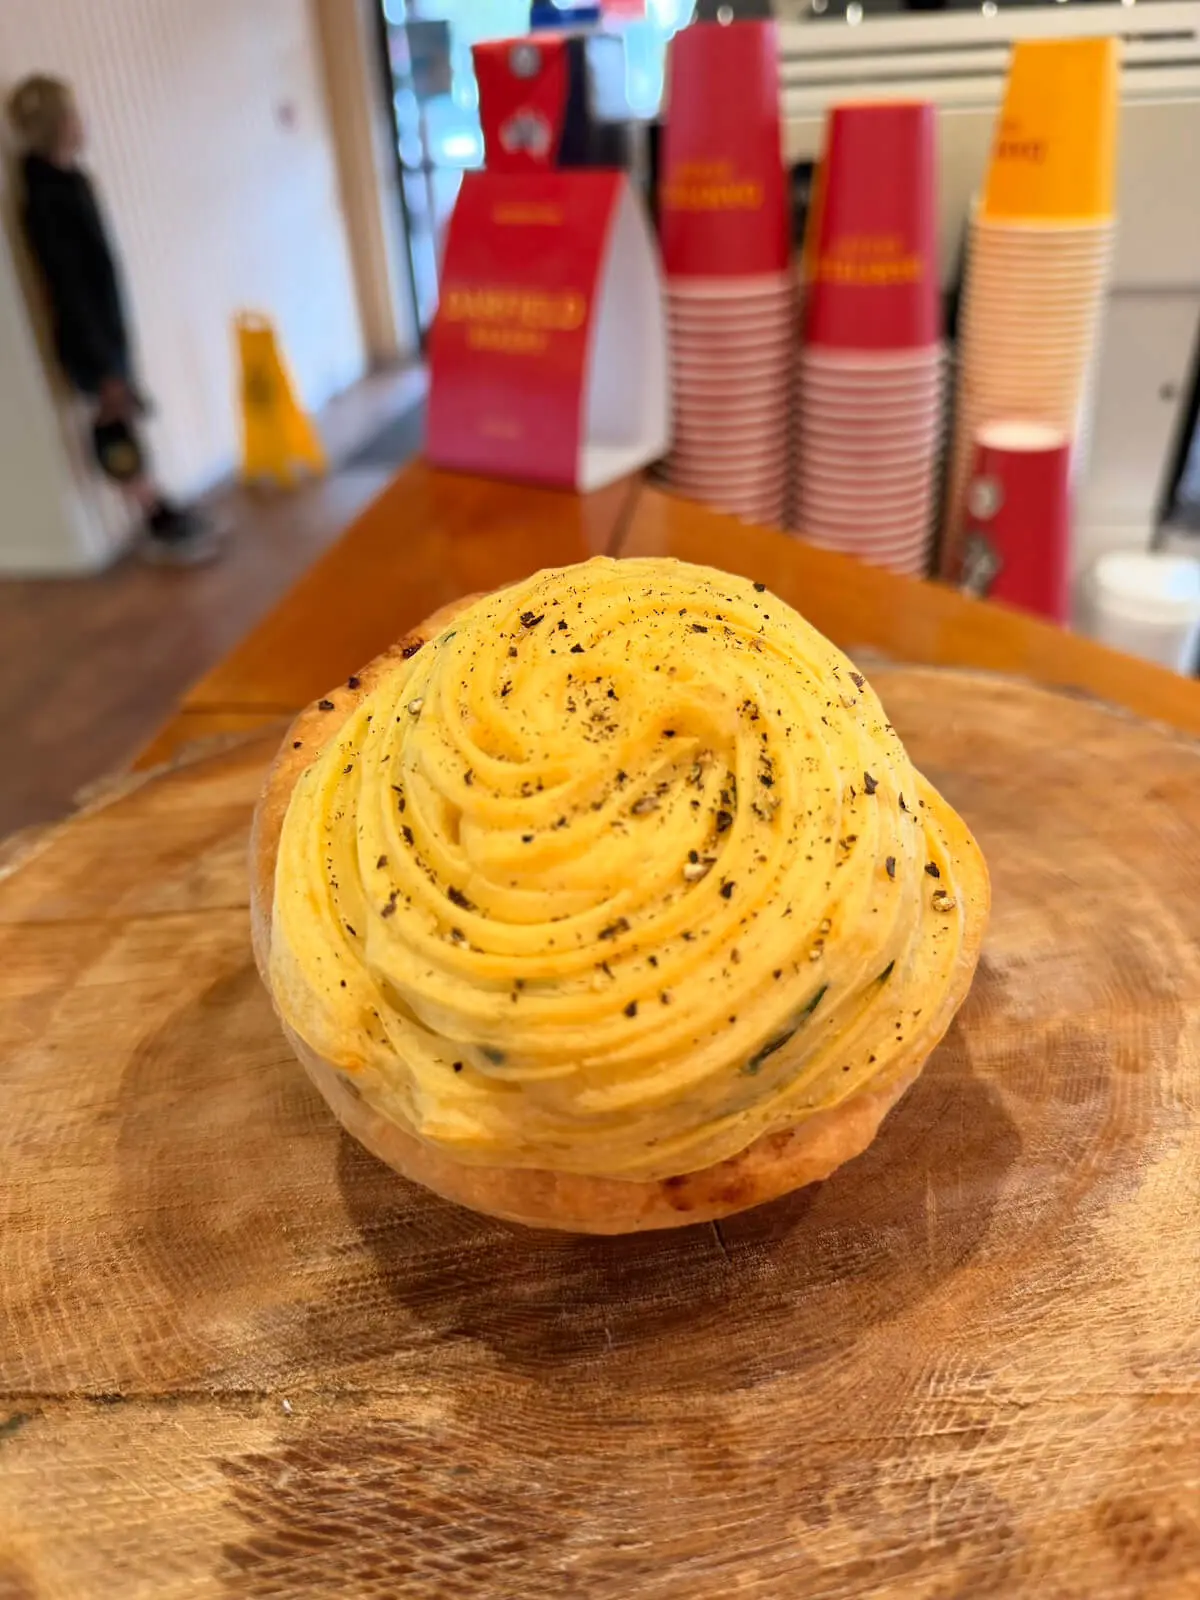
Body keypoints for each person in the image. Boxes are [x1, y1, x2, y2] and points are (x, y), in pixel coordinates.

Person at [5, 75, 220, 565]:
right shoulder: (43, 198)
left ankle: (160, 510)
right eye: (72, 116)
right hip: (89, 339)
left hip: (108, 330)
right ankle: (157, 519)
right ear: (54, 126)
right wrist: (102, 363)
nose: (82, 124)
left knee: (125, 419)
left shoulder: (72, 181)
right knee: (114, 425)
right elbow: (69, 287)